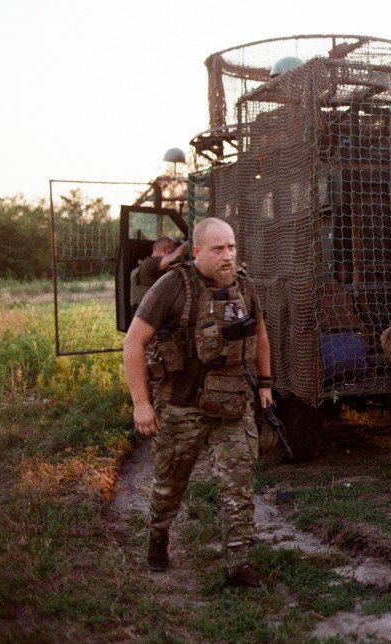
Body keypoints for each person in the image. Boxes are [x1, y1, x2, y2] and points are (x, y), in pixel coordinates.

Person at [122, 217, 272, 588]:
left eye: (232, 247)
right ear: (198, 251)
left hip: (232, 406)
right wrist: (141, 403)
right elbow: (133, 343)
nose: (228, 256)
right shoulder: (172, 286)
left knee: (238, 487)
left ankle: (237, 565)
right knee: (170, 486)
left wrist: (266, 383)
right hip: (181, 407)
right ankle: (158, 536)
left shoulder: (244, 283)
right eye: (219, 249)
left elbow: (261, 333)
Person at [131, 236, 188, 306]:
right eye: (173, 250)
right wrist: (188, 243)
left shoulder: (156, 266)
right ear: (164, 249)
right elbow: (175, 256)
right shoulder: (150, 262)